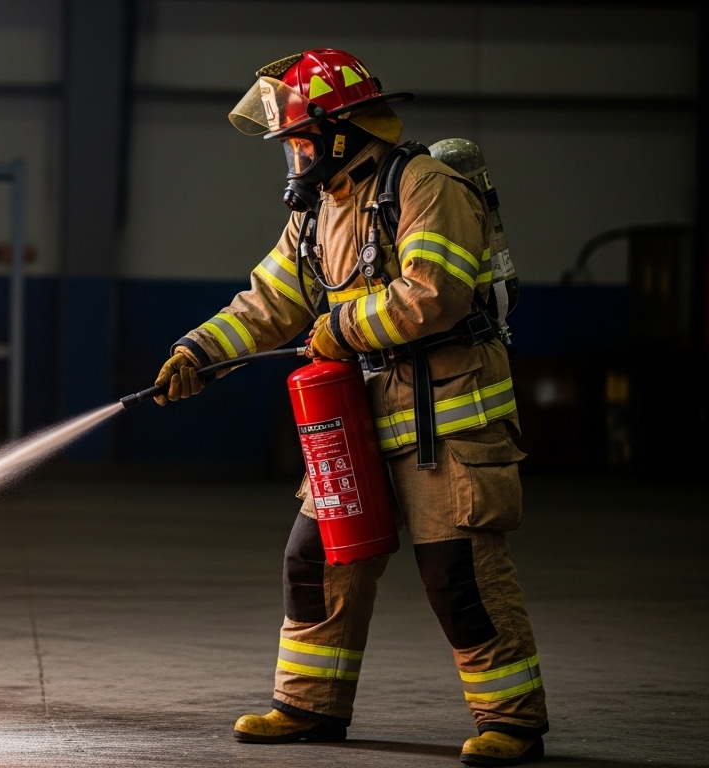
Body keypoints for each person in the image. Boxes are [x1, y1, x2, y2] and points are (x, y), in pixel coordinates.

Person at [153, 49, 547, 767]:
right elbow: (269, 302)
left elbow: (437, 293)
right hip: (356, 424)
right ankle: (308, 707)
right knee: (316, 560)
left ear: (338, 133)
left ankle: (513, 722)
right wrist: (199, 353)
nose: (294, 157)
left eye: (300, 141)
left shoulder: (427, 185)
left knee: (458, 575)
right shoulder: (320, 211)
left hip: (448, 425)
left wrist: (341, 326)